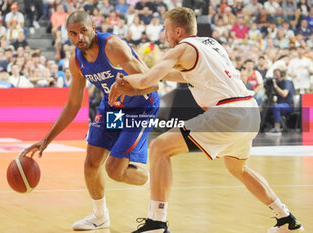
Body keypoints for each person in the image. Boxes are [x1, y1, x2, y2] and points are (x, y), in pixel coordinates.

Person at [109, 7, 304, 233]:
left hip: (228, 113)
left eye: (166, 29)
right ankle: (286, 219)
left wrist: (123, 79)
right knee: (237, 168)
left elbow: (146, 80)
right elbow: (174, 75)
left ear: (179, 31)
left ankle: (156, 223)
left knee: (160, 148)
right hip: (249, 110)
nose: (164, 34)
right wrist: (143, 76)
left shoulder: (181, 49)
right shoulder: (211, 44)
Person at [19, 10, 159, 231]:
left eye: (83, 31)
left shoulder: (113, 47)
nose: (79, 38)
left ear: (93, 27)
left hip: (141, 106)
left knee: (114, 170)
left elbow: (153, 84)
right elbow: (73, 105)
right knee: (92, 162)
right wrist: (46, 140)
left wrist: (128, 88)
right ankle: (99, 216)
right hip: (115, 108)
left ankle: (152, 178)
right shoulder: (76, 61)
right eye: (73, 34)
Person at [266, 69, 295, 136]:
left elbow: (284, 94)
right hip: (281, 104)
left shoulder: (286, 82)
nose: (275, 76)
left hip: (288, 105)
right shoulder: (277, 83)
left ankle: (277, 128)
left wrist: (275, 86)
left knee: (276, 108)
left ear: (281, 74)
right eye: (274, 74)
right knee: (268, 108)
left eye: (277, 74)